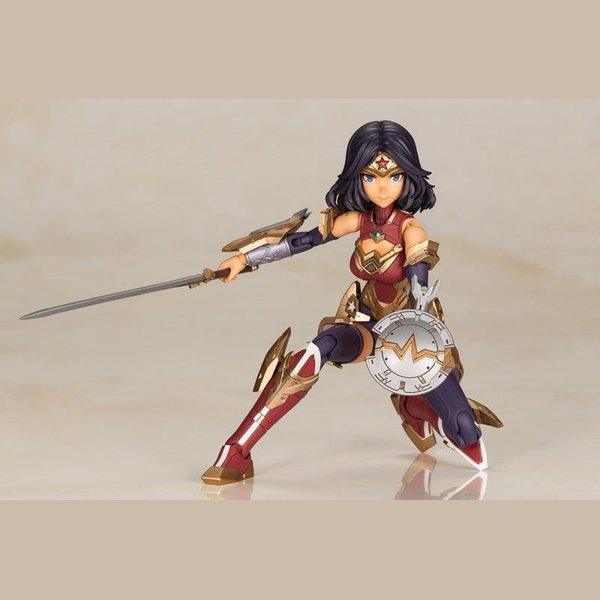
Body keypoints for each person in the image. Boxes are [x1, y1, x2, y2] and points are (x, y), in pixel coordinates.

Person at [201, 120, 501, 485]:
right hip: (367, 325)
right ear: (357, 177)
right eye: (371, 176)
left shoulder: (411, 230)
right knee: (314, 352)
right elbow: (302, 241)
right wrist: (244, 260)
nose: (382, 187)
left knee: (465, 430)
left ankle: (414, 407)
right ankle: (236, 452)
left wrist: (420, 337)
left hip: (412, 337)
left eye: (393, 176)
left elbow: (419, 283)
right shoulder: (357, 221)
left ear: (408, 176)